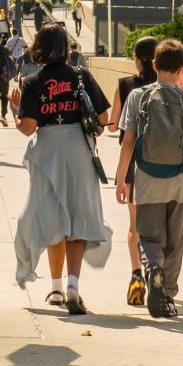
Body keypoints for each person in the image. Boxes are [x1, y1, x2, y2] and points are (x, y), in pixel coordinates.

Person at [13, 24, 111, 314]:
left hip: (47, 151)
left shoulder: (32, 82)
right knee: (78, 218)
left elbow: (28, 127)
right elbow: (104, 118)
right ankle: (72, 285)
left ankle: (54, 289)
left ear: (40, 48)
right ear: (67, 48)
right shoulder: (81, 75)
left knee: (52, 217)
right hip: (79, 149)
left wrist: (12, 110)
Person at [115, 40, 183, 320]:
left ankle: (152, 267)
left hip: (145, 180)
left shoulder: (138, 97)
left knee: (147, 237)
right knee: (174, 242)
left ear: (154, 66)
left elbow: (128, 142)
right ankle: (167, 294)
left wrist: (122, 179)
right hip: (177, 183)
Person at [107, 35, 160, 306]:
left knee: (134, 226)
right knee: (160, 226)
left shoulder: (126, 86)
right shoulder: (168, 87)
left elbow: (113, 125)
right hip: (164, 165)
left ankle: (137, 276)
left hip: (134, 165)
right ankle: (158, 273)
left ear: (136, 60)